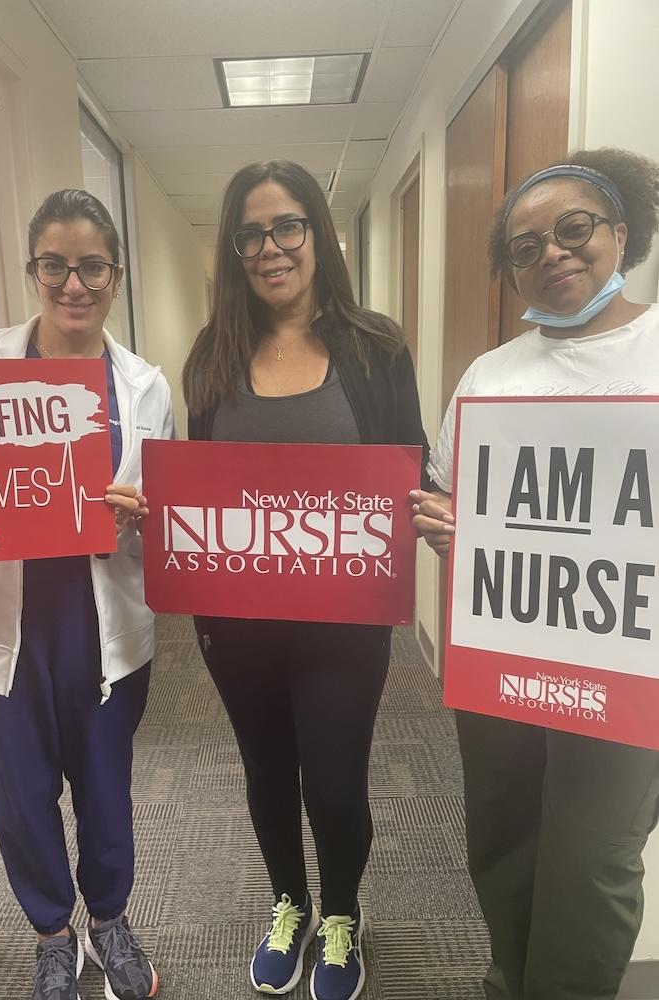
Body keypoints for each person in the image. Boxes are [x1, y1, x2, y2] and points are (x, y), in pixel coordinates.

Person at [412, 148, 659, 1000]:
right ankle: (508, 981)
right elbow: (448, 495)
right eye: (525, 246)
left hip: (623, 666)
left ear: (620, 234)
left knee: (591, 862)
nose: (552, 253)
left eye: (574, 229)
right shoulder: (493, 374)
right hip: (505, 656)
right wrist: (445, 530)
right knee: (503, 837)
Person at [182, 160, 429, 1000]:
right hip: (236, 619)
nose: (270, 248)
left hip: (343, 618)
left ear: (318, 235)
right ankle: (288, 901)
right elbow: (199, 485)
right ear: (234, 248)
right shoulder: (212, 355)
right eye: (250, 233)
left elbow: (413, 458)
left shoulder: (375, 345)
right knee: (265, 767)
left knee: (333, 775)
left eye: (288, 226)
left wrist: (426, 508)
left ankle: (341, 914)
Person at [0, 190, 174, 1000]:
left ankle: (109, 919)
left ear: (116, 273)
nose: (74, 284)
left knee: (105, 790)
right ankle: (51, 934)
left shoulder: (145, 387)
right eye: (54, 266)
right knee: (18, 797)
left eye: (92, 266)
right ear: (33, 270)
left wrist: (146, 515)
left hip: (103, 625)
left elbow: (161, 515)